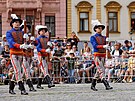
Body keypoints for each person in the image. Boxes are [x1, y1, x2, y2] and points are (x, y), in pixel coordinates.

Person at [6, 14, 28, 95]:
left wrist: (28, 41)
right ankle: (22, 88)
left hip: (21, 53)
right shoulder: (9, 32)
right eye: (15, 22)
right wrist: (19, 45)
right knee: (18, 70)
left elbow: (25, 42)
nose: (17, 24)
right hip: (14, 53)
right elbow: (11, 42)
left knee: (17, 71)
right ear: (12, 24)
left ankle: (11, 88)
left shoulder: (22, 32)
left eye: (18, 22)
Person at [90, 20, 113, 91]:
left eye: (101, 28)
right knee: (101, 70)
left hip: (103, 55)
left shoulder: (104, 37)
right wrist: (103, 46)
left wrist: (109, 46)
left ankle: (93, 84)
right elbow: (95, 45)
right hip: (97, 55)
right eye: (98, 28)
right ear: (95, 29)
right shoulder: (93, 37)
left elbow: (107, 45)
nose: (100, 29)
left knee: (98, 71)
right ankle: (106, 84)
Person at [20, 22, 36, 92]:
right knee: (27, 70)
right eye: (24, 28)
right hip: (22, 55)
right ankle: (30, 85)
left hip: (29, 55)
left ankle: (13, 83)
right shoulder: (20, 36)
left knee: (21, 72)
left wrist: (33, 42)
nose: (26, 29)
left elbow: (34, 45)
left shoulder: (29, 37)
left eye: (27, 28)